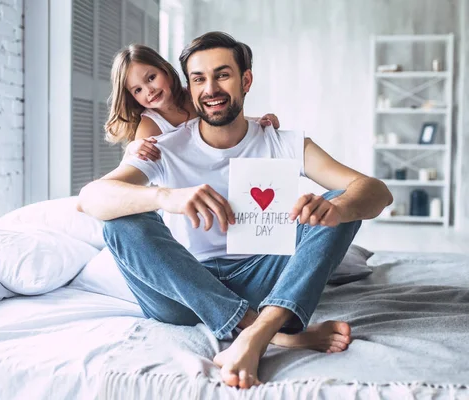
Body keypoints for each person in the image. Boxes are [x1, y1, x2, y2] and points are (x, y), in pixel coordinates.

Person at [78, 32, 392, 389]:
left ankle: (257, 333)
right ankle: (277, 333)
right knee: (121, 222)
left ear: (246, 80)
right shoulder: (159, 146)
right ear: (190, 87)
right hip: (183, 291)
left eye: (222, 75)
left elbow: (376, 191)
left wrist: (335, 208)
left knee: (336, 204)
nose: (210, 88)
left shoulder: (283, 141)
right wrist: (166, 198)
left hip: (262, 276)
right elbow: (90, 198)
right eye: (199, 79)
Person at [104, 44, 280, 161]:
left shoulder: (193, 96)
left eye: (151, 78)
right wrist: (132, 149)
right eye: (138, 90)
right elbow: (133, 168)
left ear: (164, 69)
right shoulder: (150, 126)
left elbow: (221, 119)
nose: (148, 90)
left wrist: (257, 121)